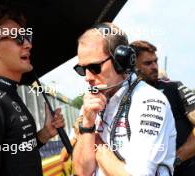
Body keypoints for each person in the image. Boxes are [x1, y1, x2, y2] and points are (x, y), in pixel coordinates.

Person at [0, 6, 65, 176]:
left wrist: (44, 134)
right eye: (18, 38)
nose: (28, 44)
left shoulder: (8, 93)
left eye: (27, 36)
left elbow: (16, 153)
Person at [72, 22, 176, 176]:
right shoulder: (90, 103)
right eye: (81, 69)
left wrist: (98, 144)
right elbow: (82, 171)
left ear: (121, 61)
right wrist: (87, 124)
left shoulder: (149, 101)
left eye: (94, 68)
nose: (87, 77)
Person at [131, 40, 195, 176]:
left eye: (155, 61)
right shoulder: (124, 97)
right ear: (132, 66)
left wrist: (176, 159)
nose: (154, 66)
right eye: (148, 63)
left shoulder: (174, 87)